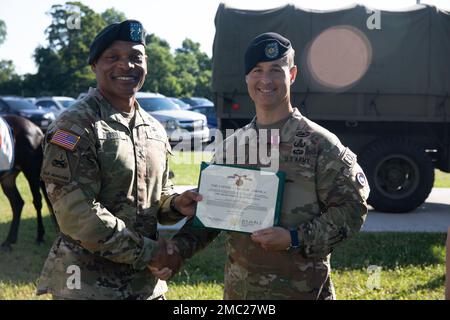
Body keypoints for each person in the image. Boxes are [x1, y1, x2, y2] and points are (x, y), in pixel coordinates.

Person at [152, 32, 370, 300]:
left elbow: (352, 209)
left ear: (292, 75)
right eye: (257, 70)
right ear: (246, 78)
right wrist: (177, 250)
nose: (266, 80)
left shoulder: (319, 144)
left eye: (276, 70)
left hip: (304, 292)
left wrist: (294, 238)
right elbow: (212, 216)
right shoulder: (232, 146)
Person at [36, 20, 201, 300]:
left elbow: (155, 196)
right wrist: (151, 252)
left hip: (145, 288)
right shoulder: (73, 126)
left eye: (136, 57)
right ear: (94, 66)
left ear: (147, 63)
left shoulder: (153, 129)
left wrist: (175, 203)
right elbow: (76, 213)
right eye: (113, 57)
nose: (126, 66)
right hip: (89, 288)